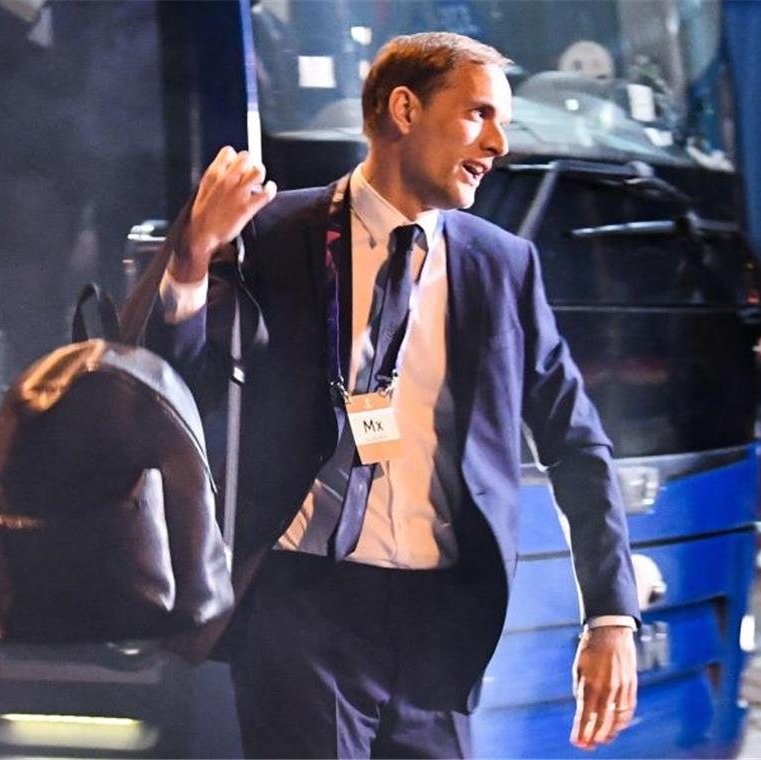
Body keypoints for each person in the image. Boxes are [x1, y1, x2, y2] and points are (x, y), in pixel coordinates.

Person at [143, 32, 640, 759]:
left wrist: (610, 617)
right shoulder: (275, 234)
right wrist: (188, 266)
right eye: (478, 115)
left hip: (440, 629)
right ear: (404, 109)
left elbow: (577, 444)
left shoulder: (504, 267)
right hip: (298, 608)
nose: (500, 143)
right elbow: (175, 390)